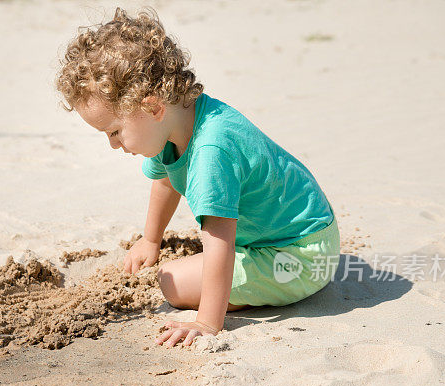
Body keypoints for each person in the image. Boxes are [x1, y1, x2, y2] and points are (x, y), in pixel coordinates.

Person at [55, 7, 340, 348]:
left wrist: (206, 322)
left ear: (153, 107)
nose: (113, 145)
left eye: (115, 131)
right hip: (279, 237)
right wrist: (150, 239)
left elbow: (220, 238)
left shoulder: (211, 150)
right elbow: (164, 180)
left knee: (173, 283)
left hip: (303, 257)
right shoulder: (176, 123)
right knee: (177, 274)